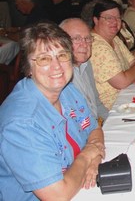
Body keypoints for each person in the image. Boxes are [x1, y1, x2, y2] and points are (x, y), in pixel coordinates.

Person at [0, 22, 105, 200]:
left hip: (79, 189)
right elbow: (58, 195)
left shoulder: (67, 90)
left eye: (62, 55)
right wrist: (88, 156)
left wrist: (95, 160)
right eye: (44, 59)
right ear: (28, 67)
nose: (57, 67)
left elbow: (94, 129)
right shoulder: (22, 124)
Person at [90, 0, 135, 109]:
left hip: (127, 94)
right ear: (96, 20)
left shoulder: (114, 39)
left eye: (118, 18)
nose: (115, 22)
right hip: (113, 107)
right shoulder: (97, 46)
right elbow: (122, 82)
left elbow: (134, 62)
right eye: (108, 18)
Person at [60, 18, 109, 123]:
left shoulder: (86, 64)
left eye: (87, 39)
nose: (84, 44)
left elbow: (96, 103)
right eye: (77, 39)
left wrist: (112, 121)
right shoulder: (59, 76)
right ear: (61, 42)